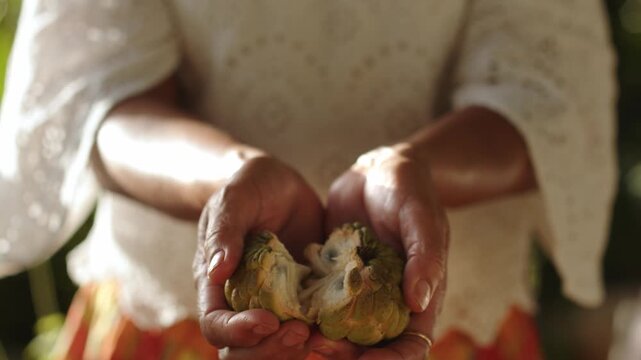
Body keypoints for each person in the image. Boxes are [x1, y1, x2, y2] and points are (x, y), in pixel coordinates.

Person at [0, 0, 616, 359]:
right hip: (170, 317)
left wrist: (417, 170)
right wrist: (226, 176)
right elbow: (99, 97)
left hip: (452, 320)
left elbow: (546, 95)